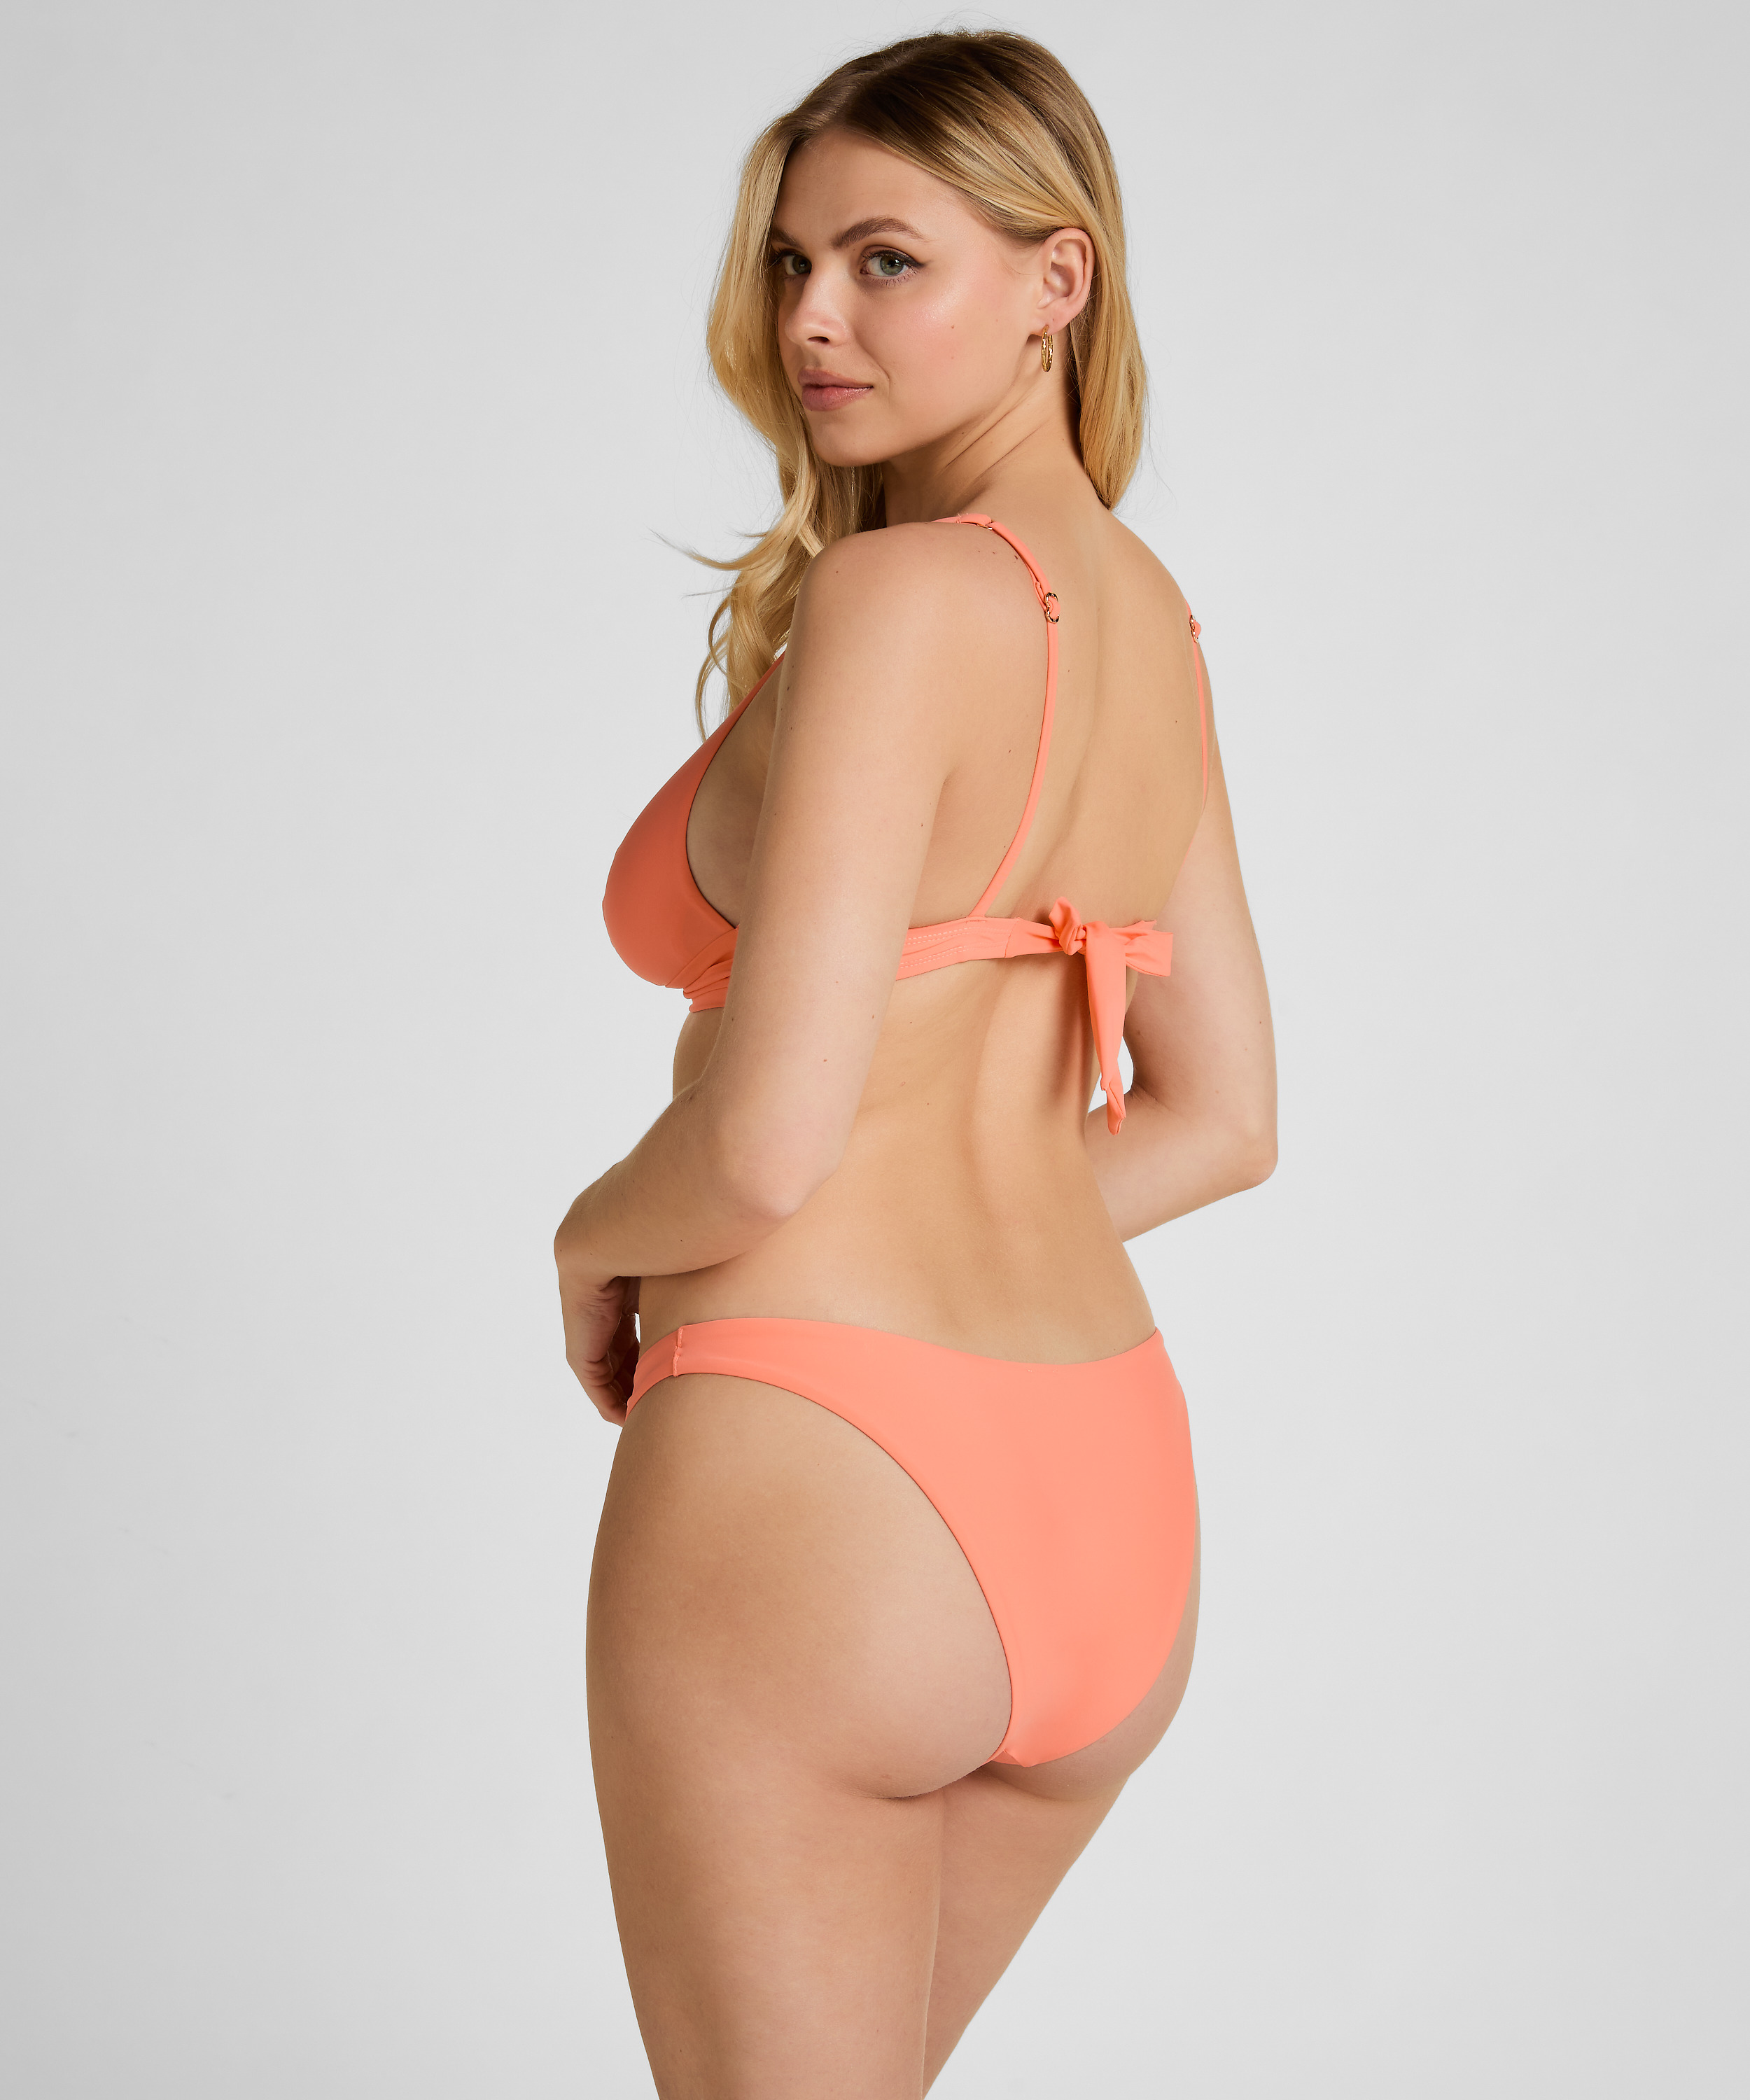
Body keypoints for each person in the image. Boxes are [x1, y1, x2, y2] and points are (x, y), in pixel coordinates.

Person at [555, 29, 1276, 2095]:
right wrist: (972, 1204)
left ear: (1059, 280)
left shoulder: (892, 601)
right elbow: (1226, 1116)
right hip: (1105, 1489)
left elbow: (762, 1144)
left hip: (826, 1482)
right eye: (793, 262)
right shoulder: (1147, 620)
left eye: (886, 262)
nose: (811, 319)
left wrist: (590, 1242)